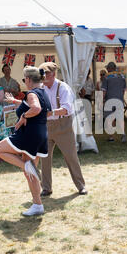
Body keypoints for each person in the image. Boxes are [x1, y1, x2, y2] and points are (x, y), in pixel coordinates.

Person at [0, 66, 52, 216]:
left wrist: (24, 117)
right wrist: (15, 101)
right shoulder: (43, 92)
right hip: (40, 134)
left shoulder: (32, 93)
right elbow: (45, 110)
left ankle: (25, 166)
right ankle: (37, 204)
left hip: (29, 135)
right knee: (30, 174)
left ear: (28, 79)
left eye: (24, 80)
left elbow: (36, 108)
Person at [38, 62, 88, 197]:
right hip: (46, 126)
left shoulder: (63, 88)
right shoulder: (41, 88)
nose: (43, 76)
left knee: (71, 156)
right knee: (44, 158)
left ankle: (81, 186)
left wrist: (50, 113)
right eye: (41, 74)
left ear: (53, 74)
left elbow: (66, 109)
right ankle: (46, 188)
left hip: (63, 125)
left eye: (46, 73)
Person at [102, 61, 127, 142]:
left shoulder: (106, 77)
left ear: (109, 68)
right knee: (120, 118)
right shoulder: (122, 76)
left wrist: (102, 100)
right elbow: (124, 90)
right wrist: (122, 98)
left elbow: (104, 91)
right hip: (119, 99)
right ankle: (123, 135)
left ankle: (111, 137)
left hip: (109, 99)